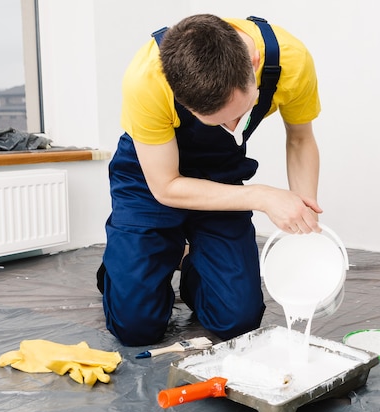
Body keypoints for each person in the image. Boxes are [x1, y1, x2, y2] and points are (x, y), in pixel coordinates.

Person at [97, 14, 323, 346]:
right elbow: (167, 186)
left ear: (253, 62)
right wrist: (262, 197)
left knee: (236, 322)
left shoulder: (290, 60)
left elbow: (301, 139)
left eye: (239, 114)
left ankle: (191, 262)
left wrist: (305, 223)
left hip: (220, 172)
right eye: (217, 121)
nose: (233, 129)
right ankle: (127, 263)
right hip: (149, 178)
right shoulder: (146, 79)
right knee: (135, 327)